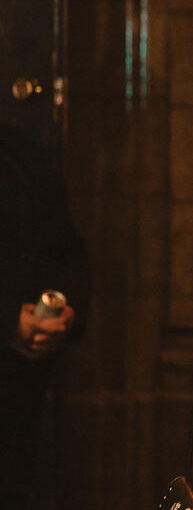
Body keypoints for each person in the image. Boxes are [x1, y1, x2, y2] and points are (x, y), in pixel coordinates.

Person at [0, 124, 89, 510]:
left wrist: (62, 312)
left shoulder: (22, 151)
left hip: (19, 383)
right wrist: (7, 322)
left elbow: (66, 249)